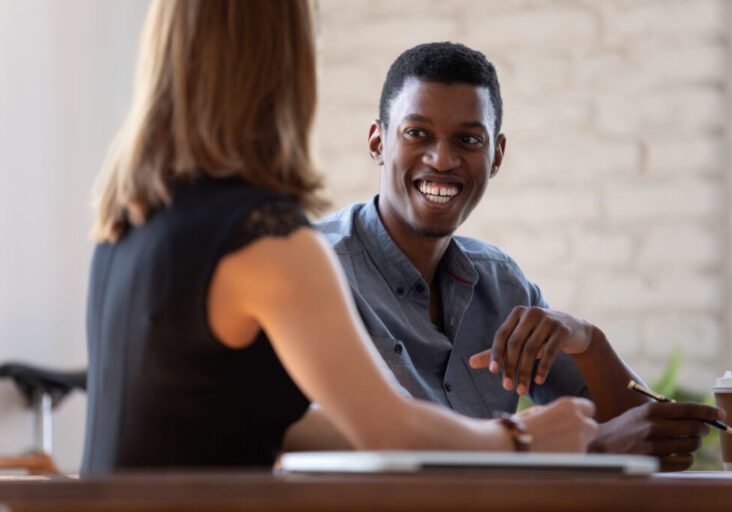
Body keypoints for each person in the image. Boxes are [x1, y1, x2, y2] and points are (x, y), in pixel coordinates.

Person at [81, 1, 598, 474]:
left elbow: (240, 421)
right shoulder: (269, 240)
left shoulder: (128, 223)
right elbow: (391, 432)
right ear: (286, 66)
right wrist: (523, 437)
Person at [311, 42, 724, 472]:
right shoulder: (319, 268)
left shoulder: (500, 282)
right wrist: (567, 444)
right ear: (378, 142)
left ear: (497, 156)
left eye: (468, 140)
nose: (443, 159)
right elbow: (324, 441)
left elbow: (644, 438)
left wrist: (586, 339)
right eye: (417, 133)